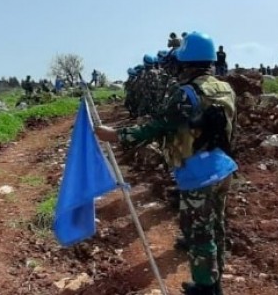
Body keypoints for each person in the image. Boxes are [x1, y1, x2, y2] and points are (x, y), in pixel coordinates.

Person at [95, 31, 236, 295]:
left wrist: (116, 135)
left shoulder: (186, 93)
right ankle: (215, 283)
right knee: (216, 227)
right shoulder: (225, 88)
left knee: (198, 234)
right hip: (223, 167)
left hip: (199, 172)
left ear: (186, 63)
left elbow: (158, 126)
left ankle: (205, 288)